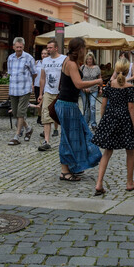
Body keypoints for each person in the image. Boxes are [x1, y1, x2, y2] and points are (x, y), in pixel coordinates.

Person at [54, 38, 105, 181]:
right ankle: (65, 171)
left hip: (70, 104)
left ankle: (73, 165)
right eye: (84, 48)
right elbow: (78, 84)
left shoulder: (72, 62)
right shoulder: (70, 63)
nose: (86, 51)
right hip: (66, 105)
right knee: (67, 137)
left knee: (80, 134)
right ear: (80, 49)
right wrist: (97, 81)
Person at [93, 59, 134, 194]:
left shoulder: (109, 85)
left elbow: (103, 105)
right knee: (130, 150)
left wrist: (103, 120)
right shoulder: (129, 87)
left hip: (111, 118)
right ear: (127, 71)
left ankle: (99, 183)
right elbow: (130, 107)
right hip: (125, 120)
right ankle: (130, 182)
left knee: (107, 151)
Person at [6, 37, 37, 145]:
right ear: (14, 47)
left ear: (23, 46)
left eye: (20, 47)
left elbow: (34, 72)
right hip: (13, 89)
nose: (19, 49)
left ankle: (17, 136)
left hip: (24, 89)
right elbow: (10, 72)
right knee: (15, 112)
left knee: (20, 113)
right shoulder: (10, 58)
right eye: (17, 47)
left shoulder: (28, 58)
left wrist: (31, 84)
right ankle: (28, 128)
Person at [37, 40, 64, 151]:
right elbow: (42, 78)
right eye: (47, 48)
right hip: (48, 91)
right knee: (46, 115)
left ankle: (65, 140)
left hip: (60, 92)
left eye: (50, 47)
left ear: (56, 48)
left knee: (62, 116)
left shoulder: (63, 59)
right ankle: (47, 141)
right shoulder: (45, 61)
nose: (48, 49)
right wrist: (41, 93)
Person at [81, 53, 101, 130]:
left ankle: (93, 123)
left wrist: (101, 88)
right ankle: (85, 123)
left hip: (93, 89)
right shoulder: (82, 67)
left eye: (91, 59)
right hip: (84, 90)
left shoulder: (97, 68)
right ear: (86, 59)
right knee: (85, 107)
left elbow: (99, 78)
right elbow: (79, 79)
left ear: (93, 60)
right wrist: (83, 88)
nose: (89, 60)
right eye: (88, 59)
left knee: (92, 106)